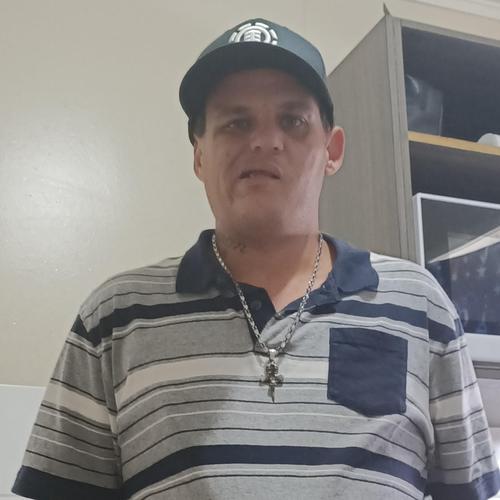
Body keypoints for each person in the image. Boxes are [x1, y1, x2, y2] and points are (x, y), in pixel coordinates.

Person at [11, 17, 500, 500]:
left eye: (293, 120)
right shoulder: (115, 319)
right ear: (199, 156)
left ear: (332, 150)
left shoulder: (419, 306)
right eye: (236, 122)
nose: (265, 141)